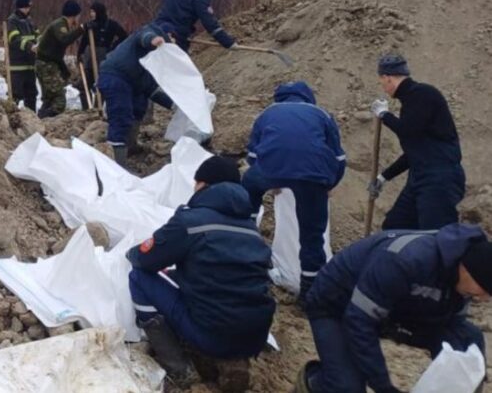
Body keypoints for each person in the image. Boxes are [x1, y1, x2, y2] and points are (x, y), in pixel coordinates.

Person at [127, 156, 274, 392]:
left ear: (203, 185)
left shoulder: (191, 222)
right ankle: (234, 359)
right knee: (195, 282)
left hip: (211, 334)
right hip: (255, 337)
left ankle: (178, 366)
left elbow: (145, 260)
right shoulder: (251, 229)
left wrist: (130, 253)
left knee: (139, 278)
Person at [297, 224, 491, 393]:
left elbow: (452, 325)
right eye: (483, 289)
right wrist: (384, 387)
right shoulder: (407, 260)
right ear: (466, 269)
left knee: (468, 340)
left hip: (391, 311)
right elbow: (359, 322)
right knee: (347, 387)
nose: (483, 298)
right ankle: (317, 383)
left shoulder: (462, 282)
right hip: (337, 305)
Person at [243, 81, 347, 299]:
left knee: (248, 187)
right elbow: (339, 159)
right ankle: (310, 292)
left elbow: (252, 155)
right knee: (312, 236)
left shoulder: (267, 113)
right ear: (308, 98)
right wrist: (329, 184)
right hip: (312, 177)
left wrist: (270, 179)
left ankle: (246, 232)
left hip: (272, 171)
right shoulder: (322, 115)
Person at [368, 54, 465, 230]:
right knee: (395, 226)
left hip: (440, 179)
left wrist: (384, 115)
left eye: (382, 82)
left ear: (387, 78)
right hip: (419, 177)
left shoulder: (423, 94)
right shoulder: (410, 102)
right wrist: (383, 177)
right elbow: (414, 152)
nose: (384, 88)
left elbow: (407, 131)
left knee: (434, 234)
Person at [96, 23, 175, 165]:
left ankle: (130, 146)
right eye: (173, 37)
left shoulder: (154, 57)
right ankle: (117, 164)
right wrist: (153, 39)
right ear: (167, 34)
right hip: (116, 77)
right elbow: (144, 36)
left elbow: (150, 88)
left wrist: (173, 105)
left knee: (139, 106)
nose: (174, 41)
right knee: (121, 117)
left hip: (131, 82)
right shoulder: (150, 33)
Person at [35, 0, 86, 118]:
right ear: (74, 15)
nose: (79, 19)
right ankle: (44, 118)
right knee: (59, 100)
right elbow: (64, 40)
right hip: (47, 65)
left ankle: (41, 119)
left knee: (49, 98)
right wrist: (81, 29)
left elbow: (55, 52)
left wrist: (64, 69)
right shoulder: (60, 25)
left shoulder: (62, 25)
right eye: (78, 16)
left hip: (47, 64)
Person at [76, 1, 128, 109]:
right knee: (84, 85)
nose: (91, 14)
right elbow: (84, 42)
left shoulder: (111, 25)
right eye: (90, 11)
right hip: (89, 58)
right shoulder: (90, 25)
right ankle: (87, 108)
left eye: (93, 12)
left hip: (103, 58)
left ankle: (97, 107)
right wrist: (79, 54)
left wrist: (112, 48)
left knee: (101, 84)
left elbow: (124, 36)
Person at [6, 0, 39, 111]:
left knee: (31, 95)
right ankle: (11, 116)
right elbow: (14, 39)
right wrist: (30, 46)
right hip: (17, 66)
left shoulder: (30, 21)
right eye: (26, 8)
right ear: (20, 7)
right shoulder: (12, 20)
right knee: (15, 95)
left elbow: (37, 35)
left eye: (28, 8)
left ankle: (32, 117)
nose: (28, 10)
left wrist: (40, 44)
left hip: (30, 65)